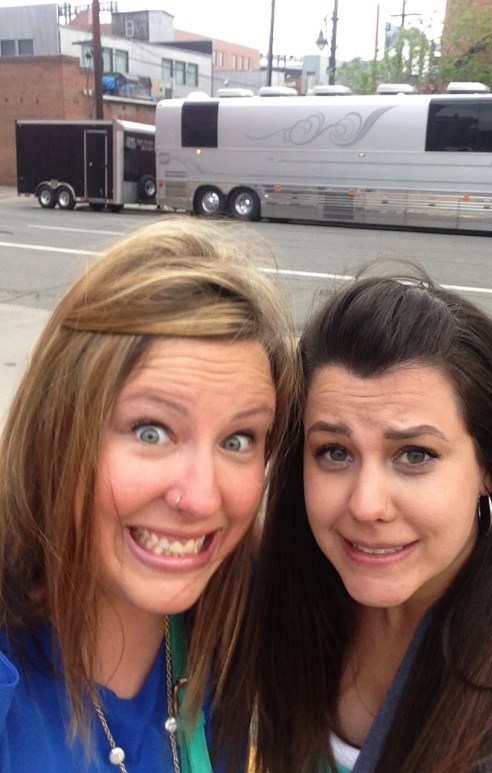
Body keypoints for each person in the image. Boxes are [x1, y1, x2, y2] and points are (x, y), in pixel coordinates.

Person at [249, 272, 492, 772]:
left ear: (489, 466)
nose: (366, 505)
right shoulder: (288, 590)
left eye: (415, 455)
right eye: (335, 452)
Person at [0, 218, 296, 772]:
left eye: (238, 440)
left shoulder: (243, 609)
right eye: (151, 431)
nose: (201, 499)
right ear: (55, 431)